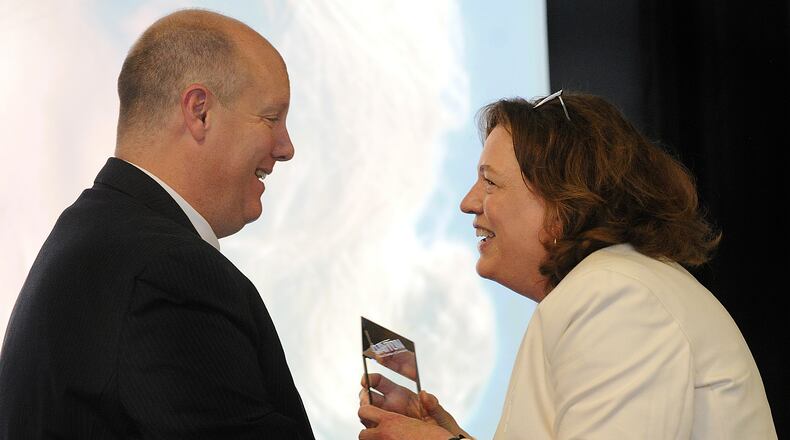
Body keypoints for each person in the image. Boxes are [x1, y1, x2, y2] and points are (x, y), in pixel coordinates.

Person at [357, 91, 777, 439]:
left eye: (490, 181)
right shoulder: (610, 287)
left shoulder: (617, 295)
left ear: (561, 201)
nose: (468, 202)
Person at [0, 9, 314, 439]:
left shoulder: (92, 238)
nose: (286, 148)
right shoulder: (169, 272)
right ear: (199, 111)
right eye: (271, 117)